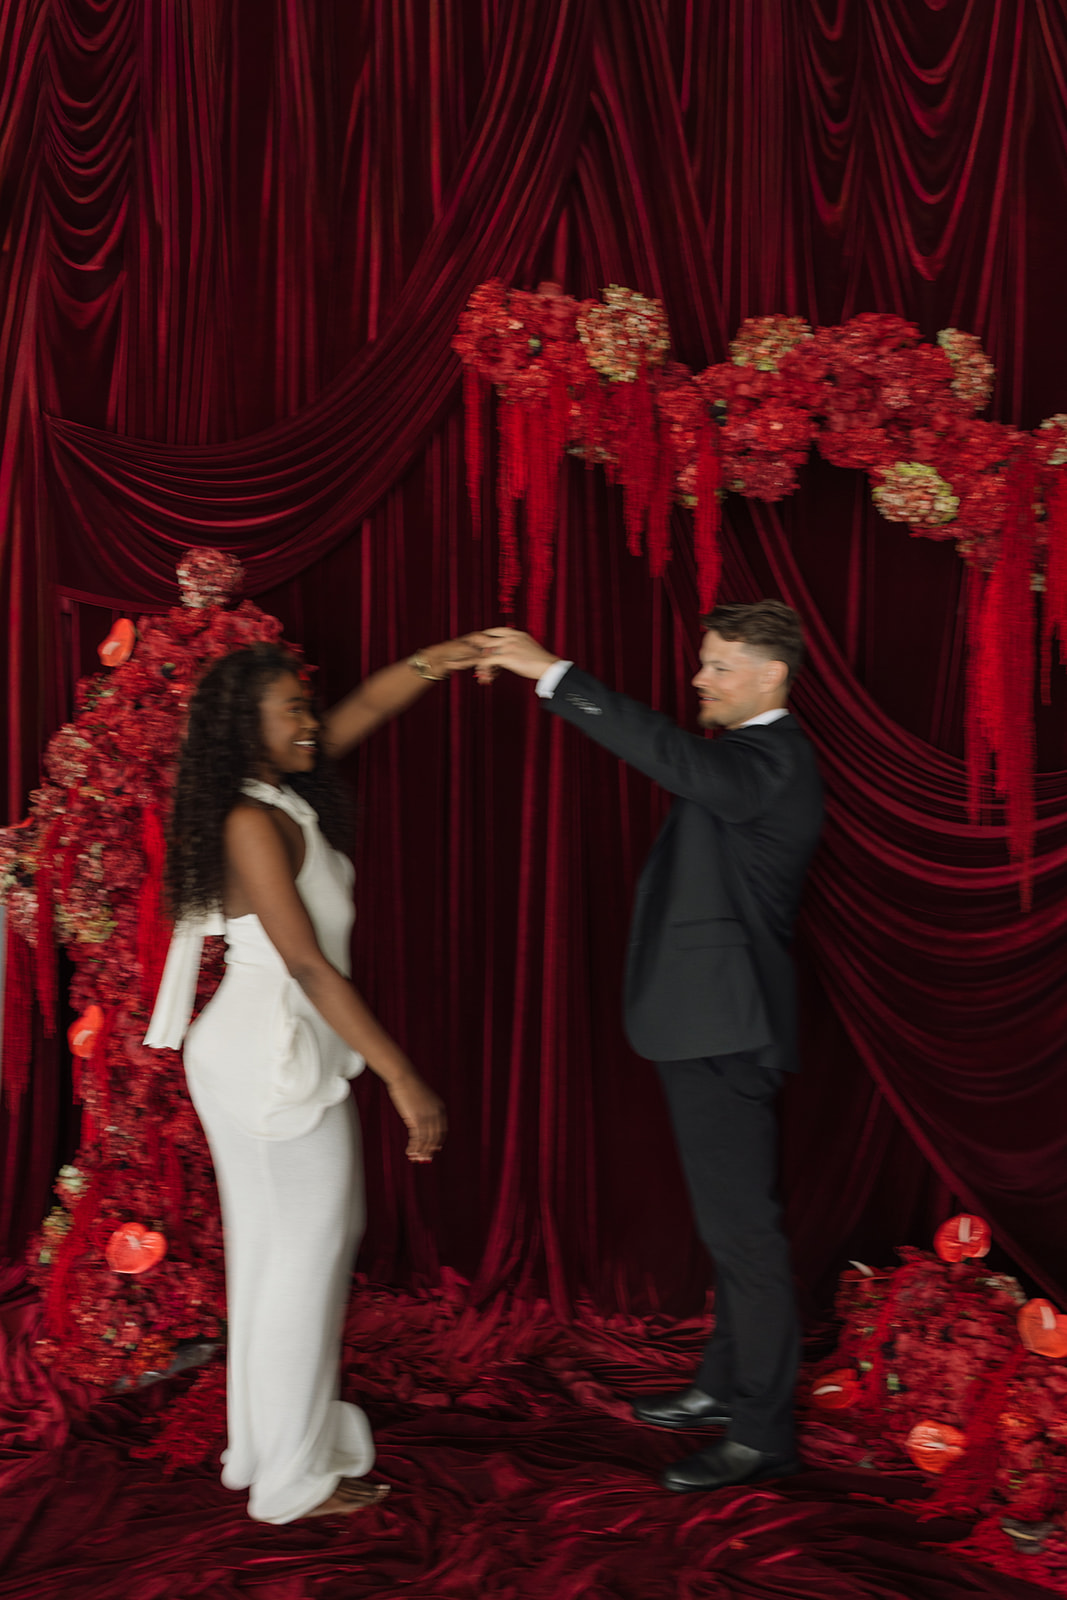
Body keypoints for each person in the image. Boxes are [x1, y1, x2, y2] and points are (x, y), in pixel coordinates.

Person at [476, 601, 823, 1492]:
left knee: (745, 1236)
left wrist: (553, 675)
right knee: (728, 1226)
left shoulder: (770, 762)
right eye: (701, 662)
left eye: (717, 665)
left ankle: (762, 1433)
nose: (699, 679)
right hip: (711, 1023)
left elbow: (669, 756)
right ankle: (720, 1385)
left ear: (769, 677)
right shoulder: (748, 761)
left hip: (726, 1028)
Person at [145, 637, 478, 1522]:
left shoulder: (279, 792)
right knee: (305, 1256)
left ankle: (269, 1453)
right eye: (290, 708)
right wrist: (404, 1079)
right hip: (268, 1055)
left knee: (285, 1258)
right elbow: (308, 967)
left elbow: (362, 710)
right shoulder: (252, 820)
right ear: (244, 730)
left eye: (304, 705)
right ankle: (290, 1482)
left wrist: (440, 660)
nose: (308, 720)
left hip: (268, 1047)